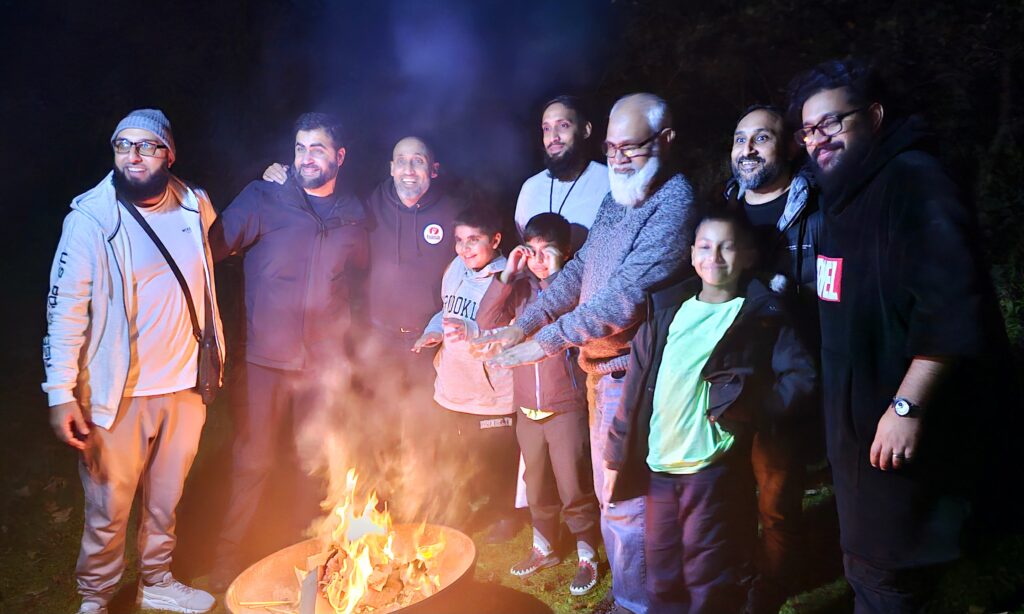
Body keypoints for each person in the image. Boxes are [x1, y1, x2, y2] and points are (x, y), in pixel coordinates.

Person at [788, 58, 1015, 612]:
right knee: (868, 560)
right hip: (857, 430)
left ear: (874, 116)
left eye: (832, 123)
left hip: (898, 424)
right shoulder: (842, 193)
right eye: (809, 129)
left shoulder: (914, 180)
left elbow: (951, 303)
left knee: (886, 573)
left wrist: (907, 406)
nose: (819, 139)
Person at [483, 93, 698, 614]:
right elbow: (579, 272)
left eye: (631, 147)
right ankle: (632, 594)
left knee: (625, 498)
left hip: (633, 372)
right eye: (611, 148)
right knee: (612, 495)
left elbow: (624, 297)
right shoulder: (619, 196)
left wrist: (545, 341)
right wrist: (524, 323)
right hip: (600, 369)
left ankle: (638, 603)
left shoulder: (673, 201)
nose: (618, 159)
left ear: (666, 140)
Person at [43, 109, 224, 614]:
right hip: (117, 392)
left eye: (147, 146)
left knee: (165, 500)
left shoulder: (194, 205)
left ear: (169, 154)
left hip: (185, 387)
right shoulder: (90, 221)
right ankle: (96, 598)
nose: (134, 156)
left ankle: (156, 581)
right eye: (123, 146)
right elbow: (65, 309)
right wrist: (60, 393)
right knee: (109, 507)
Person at [605, 209, 817, 613]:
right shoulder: (666, 313)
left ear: (748, 256)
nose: (714, 256)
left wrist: (754, 412)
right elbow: (634, 390)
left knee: (709, 578)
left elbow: (801, 375)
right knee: (663, 576)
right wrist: (616, 453)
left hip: (712, 472)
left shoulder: (761, 316)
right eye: (704, 246)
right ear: (691, 254)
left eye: (726, 247)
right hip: (660, 468)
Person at [209, 112, 370, 588]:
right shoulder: (265, 196)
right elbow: (208, 248)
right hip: (265, 359)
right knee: (254, 459)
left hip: (323, 364)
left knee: (313, 462)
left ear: (340, 156)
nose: (306, 158)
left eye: (317, 148)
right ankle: (228, 557)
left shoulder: (354, 214)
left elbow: (363, 274)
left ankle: (310, 561)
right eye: (300, 148)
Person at [723, 104, 822, 613]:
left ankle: (778, 578)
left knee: (778, 494)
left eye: (761, 138)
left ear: (789, 145)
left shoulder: (816, 208)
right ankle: (741, 568)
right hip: (730, 377)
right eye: (740, 139)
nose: (748, 149)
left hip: (786, 374)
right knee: (730, 488)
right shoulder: (724, 209)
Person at [474, 213, 601, 596]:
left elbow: (568, 316)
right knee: (535, 483)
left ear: (568, 252)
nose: (539, 261)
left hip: (565, 407)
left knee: (573, 484)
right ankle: (544, 547)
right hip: (527, 407)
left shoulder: (576, 290)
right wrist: (508, 274)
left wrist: (554, 276)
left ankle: (587, 553)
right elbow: (486, 319)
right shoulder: (520, 290)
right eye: (532, 251)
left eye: (549, 252)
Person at [411, 206, 516, 539]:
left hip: (491, 393)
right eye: (459, 240)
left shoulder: (509, 279)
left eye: (474, 240)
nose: (464, 248)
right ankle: (454, 512)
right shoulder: (456, 267)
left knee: (495, 459)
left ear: (495, 240)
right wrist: (433, 332)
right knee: (452, 456)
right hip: (452, 386)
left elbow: (514, 333)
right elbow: (447, 310)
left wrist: (472, 332)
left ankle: (504, 514)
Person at [515, 95, 610, 250]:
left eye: (563, 125)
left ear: (585, 130)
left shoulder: (608, 183)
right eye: (546, 129)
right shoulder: (531, 188)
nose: (553, 137)